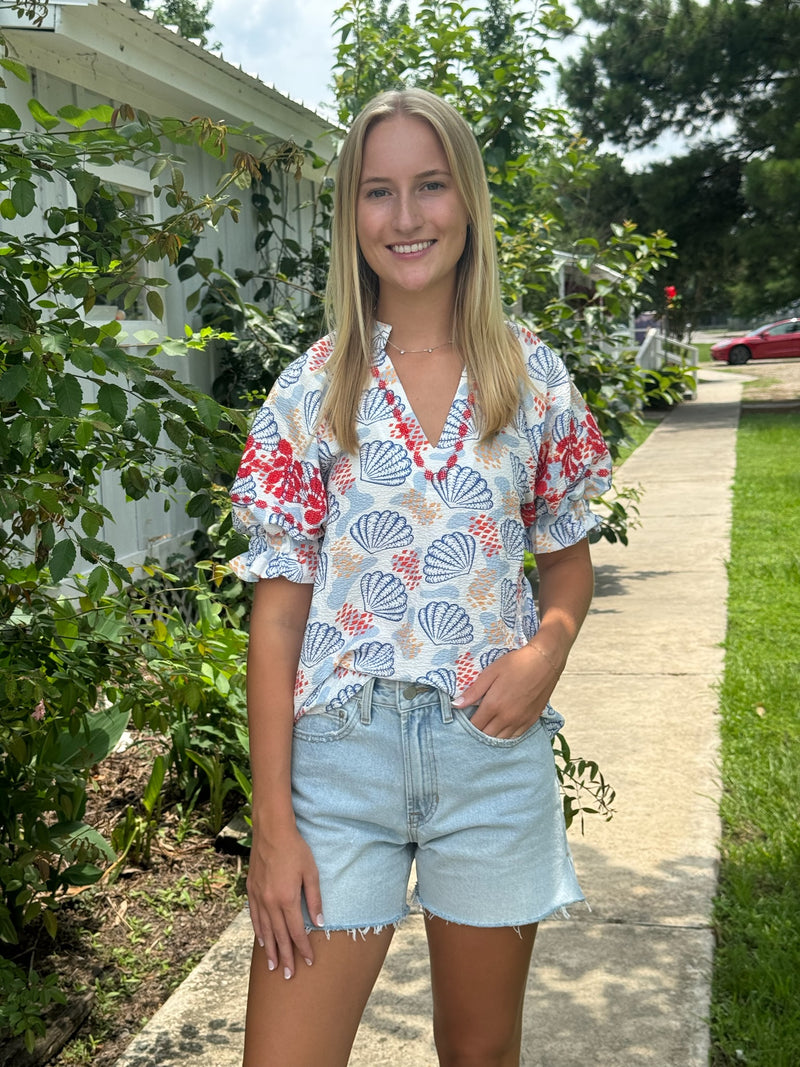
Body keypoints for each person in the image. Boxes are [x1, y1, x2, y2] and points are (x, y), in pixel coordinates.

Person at [229, 87, 612, 1067]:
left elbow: (566, 566)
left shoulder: (530, 378)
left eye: (429, 186)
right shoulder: (312, 388)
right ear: (351, 215)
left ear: (467, 200)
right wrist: (273, 826)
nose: (405, 218)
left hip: (488, 755)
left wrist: (545, 651)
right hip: (338, 768)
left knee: (478, 1055)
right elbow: (274, 622)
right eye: (377, 191)